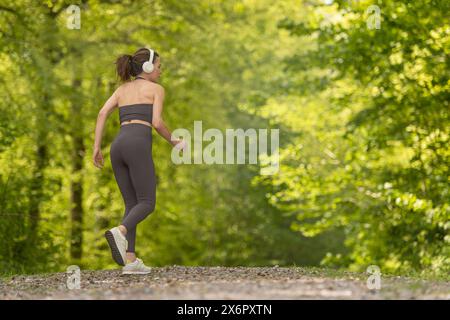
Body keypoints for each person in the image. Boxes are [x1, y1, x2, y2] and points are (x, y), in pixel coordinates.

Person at [92, 47, 186, 274]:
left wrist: (96, 147)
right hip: (137, 143)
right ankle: (120, 231)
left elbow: (103, 113)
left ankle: (131, 261)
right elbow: (156, 122)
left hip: (117, 146)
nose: (161, 71)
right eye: (159, 66)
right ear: (148, 67)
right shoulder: (156, 89)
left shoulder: (122, 90)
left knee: (132, 204)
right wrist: (175, 141)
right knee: (147, 202)